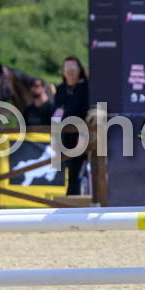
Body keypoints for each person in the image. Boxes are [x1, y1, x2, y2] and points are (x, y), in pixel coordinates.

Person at [53, 57, 89, 195]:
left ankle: (75, 198)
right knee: (70, 172)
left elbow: (87, 112)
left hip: (84, 136)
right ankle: (70, 199)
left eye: (73, 68)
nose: (70, 71)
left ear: (79, 70)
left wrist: (83, 135)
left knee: (78, 172)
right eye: (67, 68)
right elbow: (57, 112)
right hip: (64, 136)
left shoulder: (86, 87)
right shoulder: (61, 89)